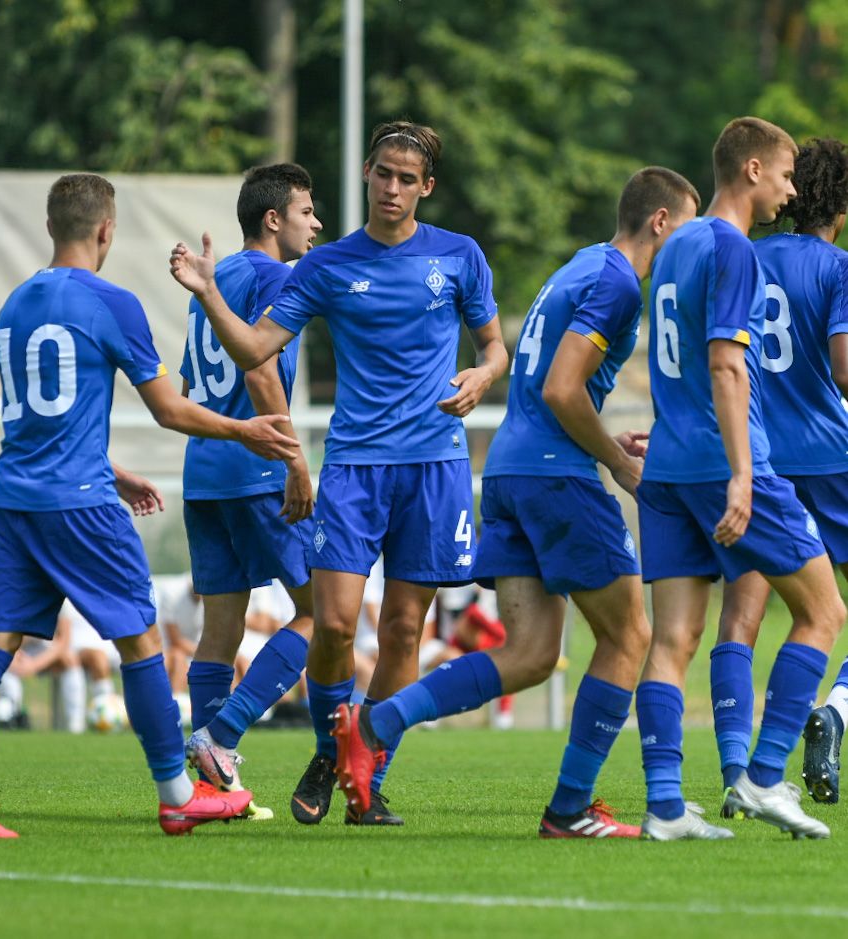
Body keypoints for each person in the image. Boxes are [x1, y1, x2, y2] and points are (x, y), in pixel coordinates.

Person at [329, 167, 700, 835]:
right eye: (687, 227)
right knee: (629, 633)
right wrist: (615, 462)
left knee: (530, 652)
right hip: (556, 476)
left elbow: (548, 390)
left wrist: (597, 437)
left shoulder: (580, 265)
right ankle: (568, 808)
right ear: (660, 222)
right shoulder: (617, 283)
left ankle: (372, 722)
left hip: (507, 469)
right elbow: (562, 390)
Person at [171, 119, 508, 825]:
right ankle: (333, 743)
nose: (391, 187)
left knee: (406, 631)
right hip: (353, 467)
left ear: (426, 187)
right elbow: (256, 346)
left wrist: (482, 373)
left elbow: (493, 346)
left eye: (406, 179)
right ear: (367, 172)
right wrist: (207, 293)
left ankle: (359, 766)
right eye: (382, 173)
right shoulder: (324, 266)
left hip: (435, 466)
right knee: (329, 625)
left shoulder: (459, 254)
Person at [0, 172, 298, 839]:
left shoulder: (15, 305)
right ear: (106, 231)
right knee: (140, 638)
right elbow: (169, 409)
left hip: (11, 499)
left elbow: (40, 425)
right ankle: (175, 793)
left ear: (52, 227)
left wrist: (117, 471)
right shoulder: (113, 302)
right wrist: (245, 429)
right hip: (78, 506)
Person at [635, 117, 844, 841]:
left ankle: (664, 806)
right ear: (751, 169)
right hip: (719, 460)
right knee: (823, 612)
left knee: (674, 638)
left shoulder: (676, 245)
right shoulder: (731, 246)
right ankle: (761, 775)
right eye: (785, 174)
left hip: (664, 465)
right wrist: (742, 473)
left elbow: (672, 356)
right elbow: (725, 362)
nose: (791, 190)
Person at [707, 138, 848, 807]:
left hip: (756, 456)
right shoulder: (837, 268)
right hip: (828, 457)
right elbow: (844, 367)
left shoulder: (747, 253)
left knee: (740, 613)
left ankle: (735, 768)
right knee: (825, 609)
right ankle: (838, 708)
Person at [179, 165, 322, 822]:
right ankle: (222, 735)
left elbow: (190, 380)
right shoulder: (275, 276)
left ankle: (210, 790)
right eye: (306, 210)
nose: (315, 222)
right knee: (323, 612)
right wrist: (294, 458)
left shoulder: (214, 282)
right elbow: (260, 368)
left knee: (219, 630)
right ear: (273, 219)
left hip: (204, 469)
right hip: (255, 469)